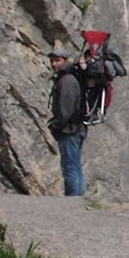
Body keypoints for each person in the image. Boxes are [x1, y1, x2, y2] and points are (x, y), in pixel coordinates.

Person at [48, 49, 91, 197]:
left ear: (65, 61)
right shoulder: (71, 78)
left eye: (58, 60)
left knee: (70, 168)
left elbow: (65, 108)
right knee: (75, 166)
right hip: (77, 128)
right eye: (52, 61)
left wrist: (57, 125)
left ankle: (72, 203)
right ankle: (77, 201)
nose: (54, 64)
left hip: (69, 130)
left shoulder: (66, 80)